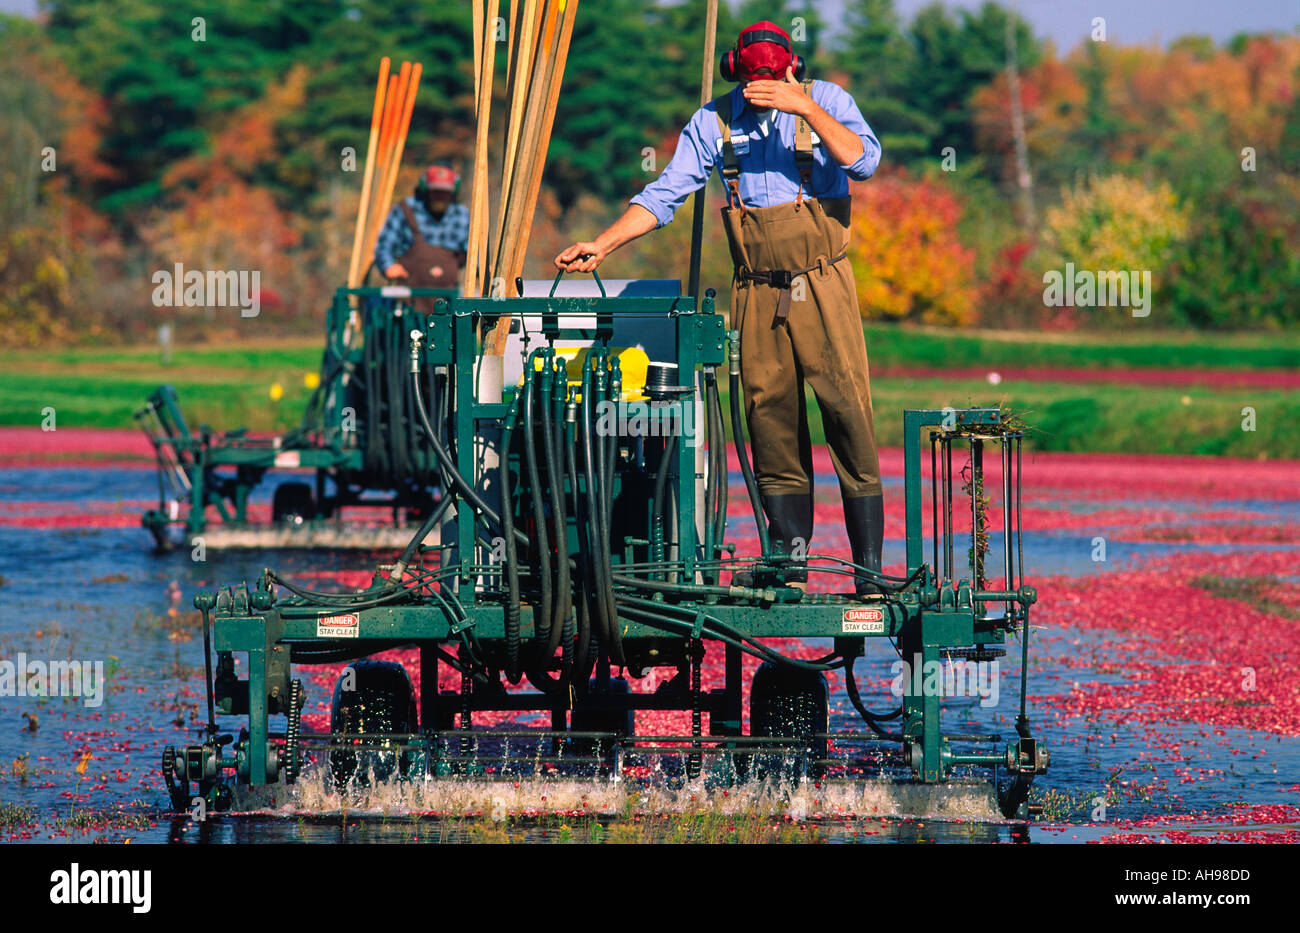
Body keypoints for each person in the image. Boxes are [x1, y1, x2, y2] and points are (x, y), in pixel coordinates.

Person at [554, 20, 885, 597]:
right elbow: (664, 194)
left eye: (771, 78)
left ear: (790, 67)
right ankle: (788, 564)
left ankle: (870, 570)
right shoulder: (714, 120)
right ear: (736, 70)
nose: (760, 88)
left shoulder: (826, 101)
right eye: (752, 79)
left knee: (846, 410)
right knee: (768, 417)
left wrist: (803, 107)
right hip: (755, 288)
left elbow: (863, 162)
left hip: (822, 280)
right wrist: (602, 244)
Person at [375, 163, 470, 302]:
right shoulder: (405, 210)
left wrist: (485, 269)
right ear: (425, 189)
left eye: (444, 192)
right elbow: (384, 245)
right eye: (435, 191)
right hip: (409, 300)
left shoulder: (461, 215)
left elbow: (474, 254)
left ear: (453, 191)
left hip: (449, 300)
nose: (440, 197)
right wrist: (388, 265)